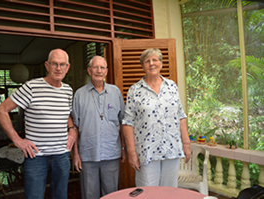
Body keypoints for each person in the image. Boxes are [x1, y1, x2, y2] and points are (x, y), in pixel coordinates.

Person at [0, 49, 77, 199]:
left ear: (67, 67)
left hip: (62, 155)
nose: (58, 68)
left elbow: (66, 114)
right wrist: (17, 140)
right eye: (54, 64)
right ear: (47, 65)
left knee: (60, 196)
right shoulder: (31, 87)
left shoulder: (68, 90)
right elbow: (1, 110)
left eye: (62, 64)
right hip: (36, 156)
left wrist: (71, 129)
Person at [122, 48, 191, 187]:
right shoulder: (135, 90)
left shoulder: (172, 86)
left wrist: (186, 143)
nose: (151, 64)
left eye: (155, 60)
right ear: (143, 66)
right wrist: (131, 152)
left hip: (171, 148)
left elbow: (180, 116)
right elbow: (128, 123)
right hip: (147, 151)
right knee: (148, 193)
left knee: (169, 192)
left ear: (161, 64)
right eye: (147, 61)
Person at [71, 55, 126, 199]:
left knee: (112, 195)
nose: (99, 71)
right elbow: (74, 127)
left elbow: (122, 122)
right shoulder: (79, 94)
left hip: (111, 154)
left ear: (106, 71)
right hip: (88, 155)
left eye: (102, 67)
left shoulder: (115, 92)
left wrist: (124, 148)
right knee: (89, 195)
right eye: (95, 67)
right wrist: (75, 154)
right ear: (89, 70)